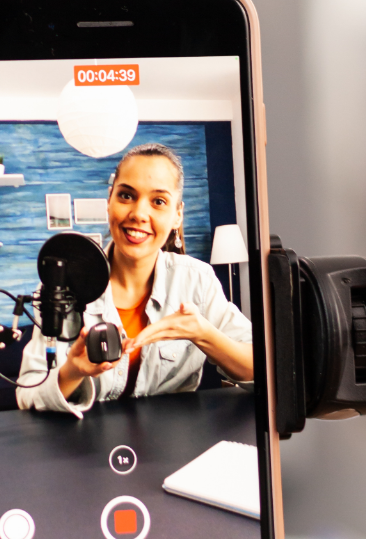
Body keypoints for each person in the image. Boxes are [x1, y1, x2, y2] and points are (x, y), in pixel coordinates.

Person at [16, 143, 254, 417]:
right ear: (110, 201)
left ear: (177, 215)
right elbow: (27, 394)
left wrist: (204, 334)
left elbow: (261, 368)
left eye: (159, 201)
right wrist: (72, 371)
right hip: (85, 441)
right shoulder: (62, 287)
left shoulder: (198, 280)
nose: (139, 214)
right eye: (126, 195)